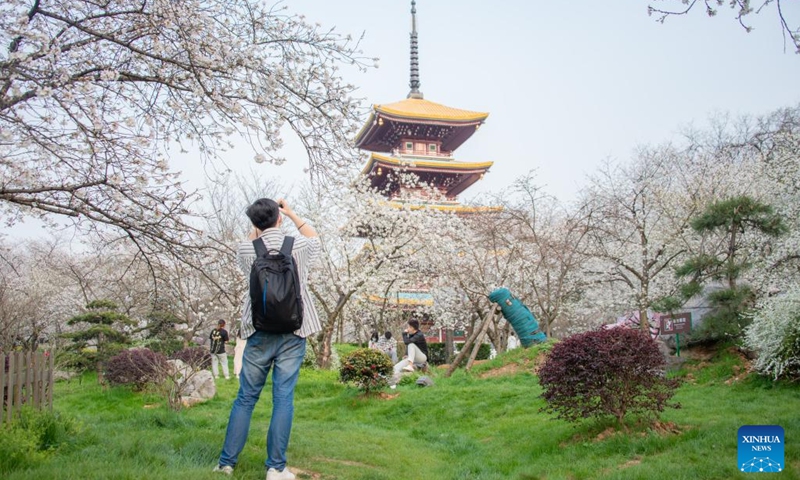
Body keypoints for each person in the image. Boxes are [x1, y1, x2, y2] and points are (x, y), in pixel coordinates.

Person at [213, 198, 321, 480]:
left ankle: (226, 464)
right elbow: (315, 237)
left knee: (246, 398)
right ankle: (276, 468)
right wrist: (292, 214)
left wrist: (256, 230)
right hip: (293, 331)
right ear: (279, 218)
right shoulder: (297, 246)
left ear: (254, 223)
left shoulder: (247, 249)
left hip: (258, 332)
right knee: (283, 398)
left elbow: (250, 246)